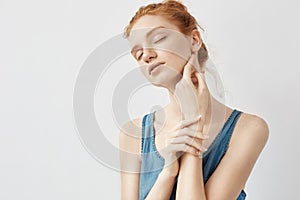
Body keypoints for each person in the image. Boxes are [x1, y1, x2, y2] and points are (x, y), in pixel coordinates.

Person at [119, 0, 269, 199]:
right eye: (138, 54)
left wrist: (193, 125)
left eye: (159, 38)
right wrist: (168, 172)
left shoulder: (249, 129)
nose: (146, 55)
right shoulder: (133, 134)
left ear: (194, 40)